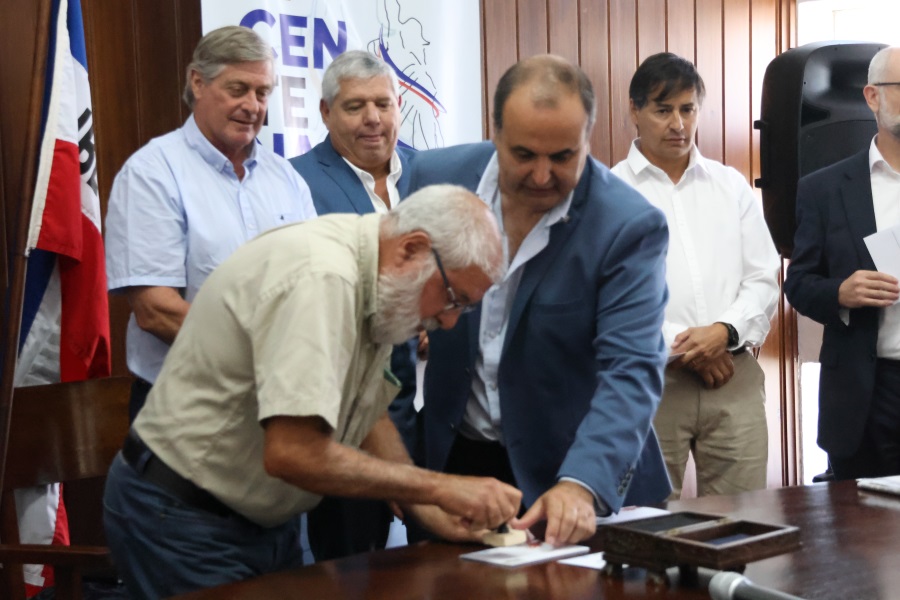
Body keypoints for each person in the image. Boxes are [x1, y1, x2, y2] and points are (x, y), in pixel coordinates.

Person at [102, 185, 522, 598]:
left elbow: (368, 407)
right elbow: (293, 452)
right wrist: (438, 488)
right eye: (452, 299)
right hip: (180, 515)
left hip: (255, 519)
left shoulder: (381, 275)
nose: (449, 322)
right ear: (412, 248)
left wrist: (424, 509)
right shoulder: (322, 278)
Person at [408, 54, 672, 547]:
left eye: (563, 156)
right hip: (456, 462)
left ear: (588, 136)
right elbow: (393, 330)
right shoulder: (433, 178)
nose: (543, 175)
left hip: (573, 469)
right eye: (524, 155)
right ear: (495, 131)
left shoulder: (628, 226)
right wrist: (402, 469)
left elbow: (631, 368)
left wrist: (580, 483)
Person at [104, 26, 316, 422]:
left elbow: (316, 283)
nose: (253, 106)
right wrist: (264, 353)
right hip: (185, 411)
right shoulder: (152, 173)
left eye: (263, 92)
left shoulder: (287, 179)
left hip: (279, 403)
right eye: (238, 89)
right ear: (197, 83)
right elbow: (156, 310)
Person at [610, 53, 780, 498]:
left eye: (687, 110)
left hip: (733, 376)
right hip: (650, 380)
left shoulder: (731, 186)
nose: (678, 124)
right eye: (663, 110)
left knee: (743, 519)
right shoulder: (610, 194)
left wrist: (723, 332)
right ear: (634, 111)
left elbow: (763, 278)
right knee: (648, 523)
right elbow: (608, 299)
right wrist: (691, 346)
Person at [289, 50, 418, 560]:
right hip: (348, 425)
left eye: (383, 104)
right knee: (348, 573)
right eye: (355, 106)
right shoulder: (295, 182)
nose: (373, 118)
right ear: (324, 112)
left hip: (440, 416)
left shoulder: (430, 173)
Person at [785, 46, 900, 481]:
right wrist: (840, 293)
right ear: (873, 97)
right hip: (866, 394)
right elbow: (799, 283)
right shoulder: (824, 188)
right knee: (863, 537)